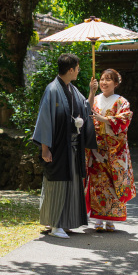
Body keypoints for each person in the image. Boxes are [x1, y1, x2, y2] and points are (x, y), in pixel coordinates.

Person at [32, 53, 97, 238]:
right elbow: (45, 119)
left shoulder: (73, 90)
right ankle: (55, 225)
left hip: (73, 147)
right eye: (77, 68)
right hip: (59, 146)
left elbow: (86, 109)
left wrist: (92, 92)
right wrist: (45, 148)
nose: (78, 70)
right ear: (70, 69)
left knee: (71, 185)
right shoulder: (52, 90)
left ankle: (66, 222)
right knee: (57, 184)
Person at [86, 68, 136, 232]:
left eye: (108, 80)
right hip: (97, 149)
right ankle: (98, 219)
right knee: (98, 183)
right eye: (101, 79)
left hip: (115, 150)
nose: (104, 82)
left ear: (115, 83)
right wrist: (91, 92)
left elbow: (125, 120)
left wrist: (104, 119)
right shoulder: (95, 99)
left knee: (114, 183)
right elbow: (86, 111)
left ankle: (111, 219)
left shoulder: (122, 102)